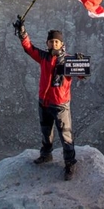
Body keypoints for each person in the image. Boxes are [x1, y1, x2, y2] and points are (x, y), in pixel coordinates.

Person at [13, 17, 79, 181]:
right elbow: (29, 48)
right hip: (44, 103)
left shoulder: (69, 60)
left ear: (62, 44)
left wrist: (82, 67)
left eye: (57, 41)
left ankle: (70, 163)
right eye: (51, 41)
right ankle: (46, 155)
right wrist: (22, 32)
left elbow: (82, 74)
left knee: (66, 135)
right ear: (47, 43)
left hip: (60, 105)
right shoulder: (44, 57)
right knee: (46, 132)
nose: (54, 44)